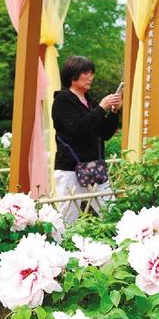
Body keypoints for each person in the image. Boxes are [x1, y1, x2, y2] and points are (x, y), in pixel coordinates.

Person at [52, 55, 123, 224]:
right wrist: (101, 108)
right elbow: (78, 129)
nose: (90, 77)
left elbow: (104, 134)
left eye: (92, 73)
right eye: (86, 73)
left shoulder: (90, 102)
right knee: (67, 221)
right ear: (72, 75)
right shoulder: (62, 101)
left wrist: (114, 112)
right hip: (70, 169)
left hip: (95, 169)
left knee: (112, 214)